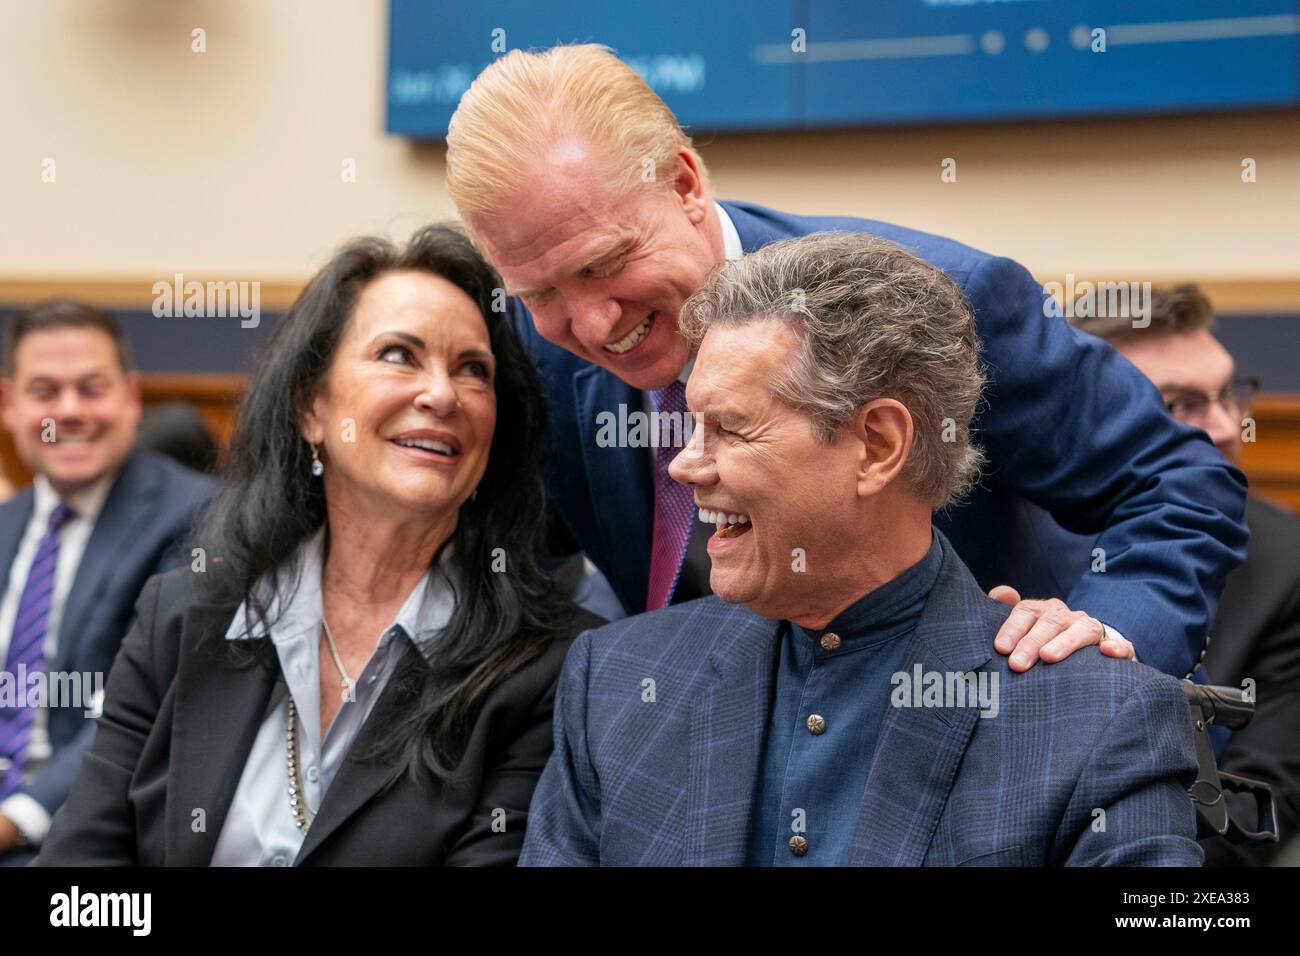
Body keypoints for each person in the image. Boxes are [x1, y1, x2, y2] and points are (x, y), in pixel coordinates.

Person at [443, 44, 1248, 680]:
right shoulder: (535, 349)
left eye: (603, 262)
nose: (590, 322)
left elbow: (1177, 481)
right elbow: (530, 575)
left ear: (684, 184)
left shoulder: (945, 301)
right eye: (540, 289)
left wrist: (1102, 641)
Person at [520, 233, 1202, 866]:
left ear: (877, 445)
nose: (685, 467)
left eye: (729, 428)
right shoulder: (615, 684)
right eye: (691, 426)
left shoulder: (1097, 719)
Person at [37, 225, 598, 866]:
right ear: (312, 408)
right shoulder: (183, 616)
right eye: (399, 355)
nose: (442, 394)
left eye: (473, 370)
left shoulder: (548, 669)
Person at [1018, 285, 1300, 866]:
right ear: (1090, 422)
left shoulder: (1287, 559)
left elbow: (1264, 802)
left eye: (1229, 395)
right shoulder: (993, 535)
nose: (1226, 427)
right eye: (1182, 404)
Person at [0, 300, 216, 865]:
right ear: (9, 405)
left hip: (78, 843)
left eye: (91, 389)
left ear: (131, 398)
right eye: (45, 392)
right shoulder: (5, 525)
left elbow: (134, 713)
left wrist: (10, 819)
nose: (69, 411)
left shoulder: (199, 517)